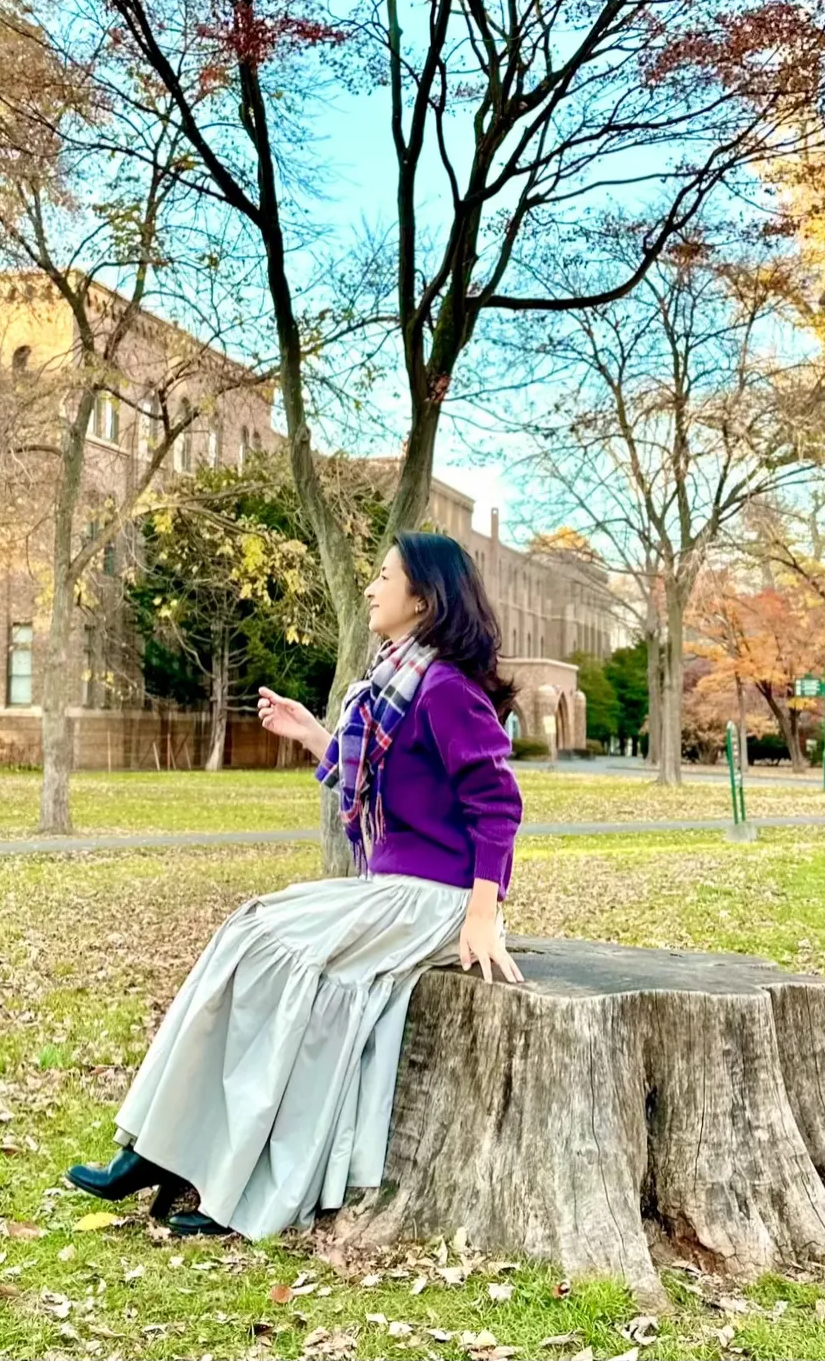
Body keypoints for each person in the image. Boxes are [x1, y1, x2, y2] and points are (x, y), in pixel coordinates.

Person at [66, 531, 524, 1239]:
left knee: (287, 962)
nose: (371, 588)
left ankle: (241, 1180)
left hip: (434, 900)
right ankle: (158, 1149)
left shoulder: (445, 689)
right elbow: (380, 775)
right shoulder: (393, 685)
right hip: (393, 887)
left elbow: (498, 804)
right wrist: (314, 733)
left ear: (423, 600)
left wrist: (483, 914)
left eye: (384, 577)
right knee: (248, 929)